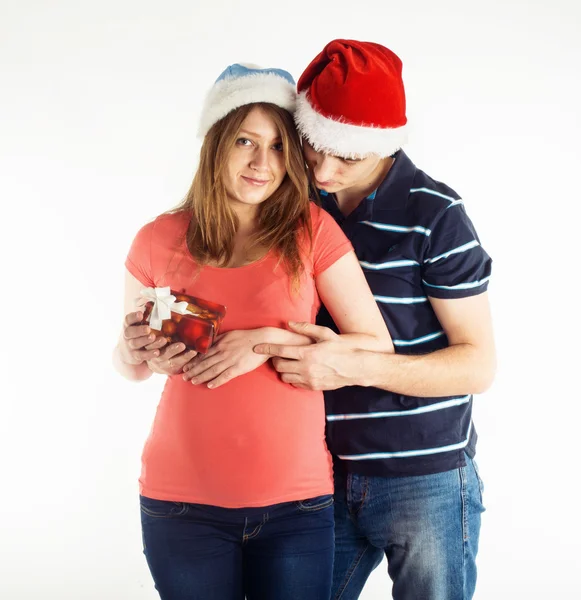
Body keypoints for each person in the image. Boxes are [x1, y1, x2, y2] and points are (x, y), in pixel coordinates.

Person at [112, 62, 393, 600]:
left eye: (279, 146)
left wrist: (261, 342)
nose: (263, 163)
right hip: (180, 503)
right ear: (215, 143)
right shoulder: (156, 239)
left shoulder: (313, 231)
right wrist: (131, 348)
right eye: (245, 140)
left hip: (297, 504)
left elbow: (374, 345)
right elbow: (133, 367)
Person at [254, 40, 496, 600]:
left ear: (382, 145)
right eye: (313, 145)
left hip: (427, 481)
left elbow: (477, 364)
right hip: (318, 473)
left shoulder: (436, 215)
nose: (323, 167)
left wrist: (354, 366)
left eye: (348, 155)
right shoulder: (298, 202)